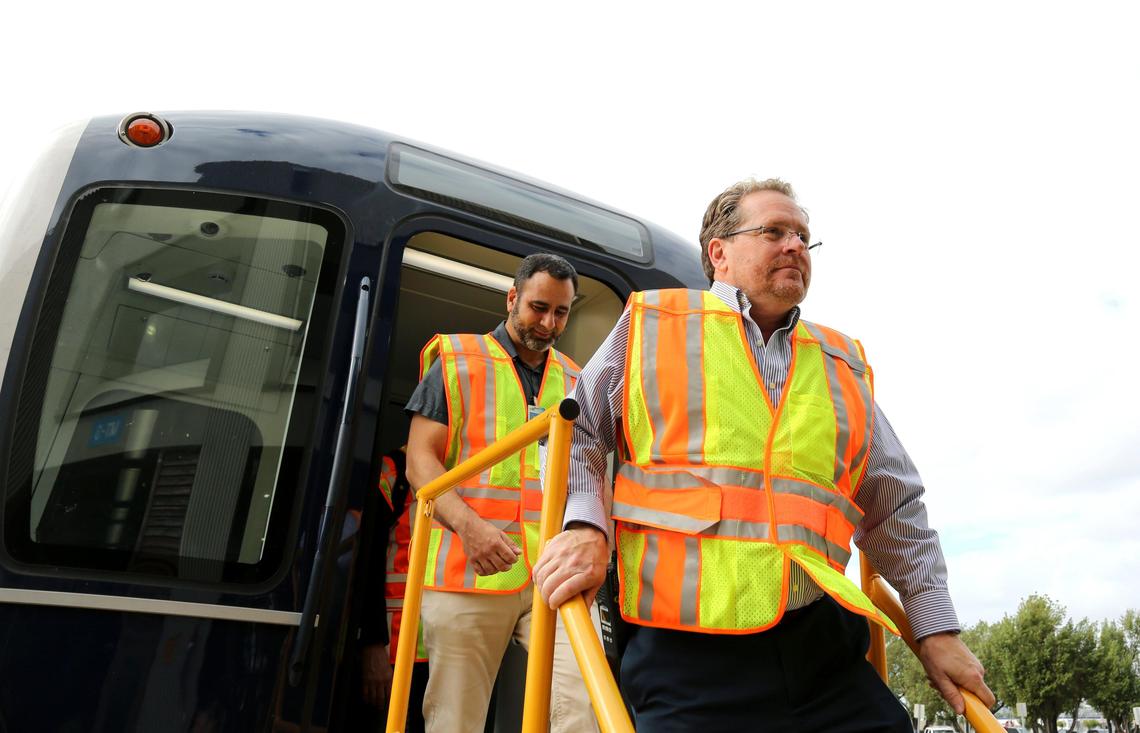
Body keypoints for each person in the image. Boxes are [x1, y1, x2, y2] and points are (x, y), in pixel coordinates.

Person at [533, 178, 997, 731]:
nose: (796, 245)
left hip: (821, 648)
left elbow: (896, 505)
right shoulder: (654, 324)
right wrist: (586, 526)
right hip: (687, 653)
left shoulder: (840, 364)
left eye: (803, 236)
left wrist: (934, 630)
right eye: (774, 231)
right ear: (719, 253)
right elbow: (577, 429)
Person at [405, 253, 599, 733]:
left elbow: (584, 477)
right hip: (466, 571)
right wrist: (471, 529)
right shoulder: (456, 360)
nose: (549, 323)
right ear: (512, 298)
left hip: (550, 573)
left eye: (561, 312)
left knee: (585, 705)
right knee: (455, 721)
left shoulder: (576, 382)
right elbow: (419, 460)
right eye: (538, 308)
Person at [359, 447, 429, 732]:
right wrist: (372, 645)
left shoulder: (470, 472)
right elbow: (366, 562)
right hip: (393, 649)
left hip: (446, 648)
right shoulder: (393, 470)